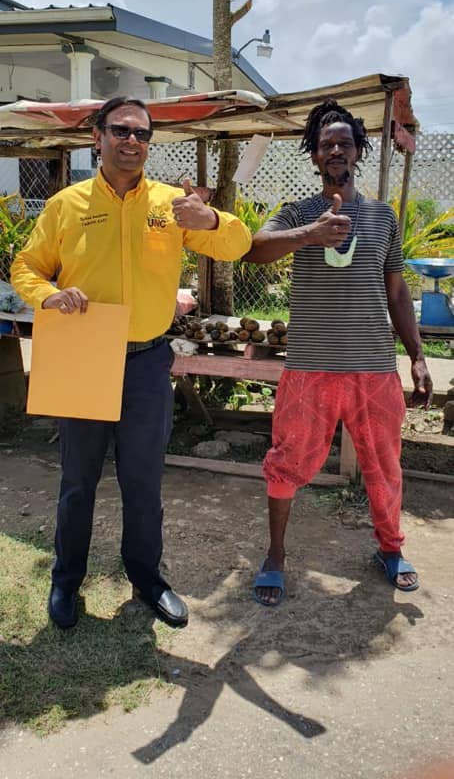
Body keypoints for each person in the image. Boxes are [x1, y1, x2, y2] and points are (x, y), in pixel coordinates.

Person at [11, 95, 251, 629]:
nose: (132, 141)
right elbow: (27, 266)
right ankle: (66, 582)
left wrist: (210, 216)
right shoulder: (66, 205)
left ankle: (147, 581)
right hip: (84, 356)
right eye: (121, 130)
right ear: (97, 137)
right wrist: (47, 295)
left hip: (146, 363)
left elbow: (236, 244)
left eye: (142, 134)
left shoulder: (171, 204)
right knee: (79, 481)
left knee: (144, 482)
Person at [243, 98, 432, 606]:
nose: (335, 151)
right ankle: (276, 556)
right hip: (310, 367)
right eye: (326, 144)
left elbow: (396, 293)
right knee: (287, 461)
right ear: (314, 155)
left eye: (344, 143)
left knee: (385, 464)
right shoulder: (297, 212)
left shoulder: (381, 217)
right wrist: (311, 233)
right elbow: (255, 248)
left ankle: (390, 549)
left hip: (373, 367)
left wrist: (415, 354)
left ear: (357, 151)